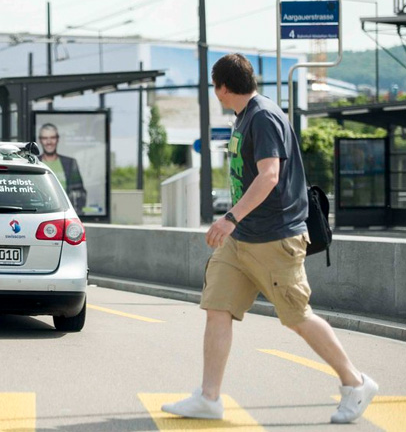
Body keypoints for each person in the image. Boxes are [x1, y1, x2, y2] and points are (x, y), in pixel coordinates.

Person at [161, 54, 378, 424]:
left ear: (222, 87)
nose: (215, 94)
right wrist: (235, 226)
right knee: (218, 309)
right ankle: (209, 397)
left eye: (215, 88)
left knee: (297, 317)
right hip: (243, 240)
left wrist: (229, 218)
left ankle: (355, 382)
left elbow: (269, 176)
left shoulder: (262, 117)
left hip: (275, 239)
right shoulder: (245, 116)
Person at [37, 123, 87, 213]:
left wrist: (75, 212)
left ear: (57, 139)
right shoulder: (35, 163)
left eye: (52, 137)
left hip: (65, 215)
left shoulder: (70, 163)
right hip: (40, 213)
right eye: (45, 138)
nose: (49, 142)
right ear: (40, 140)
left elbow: (80, 192)